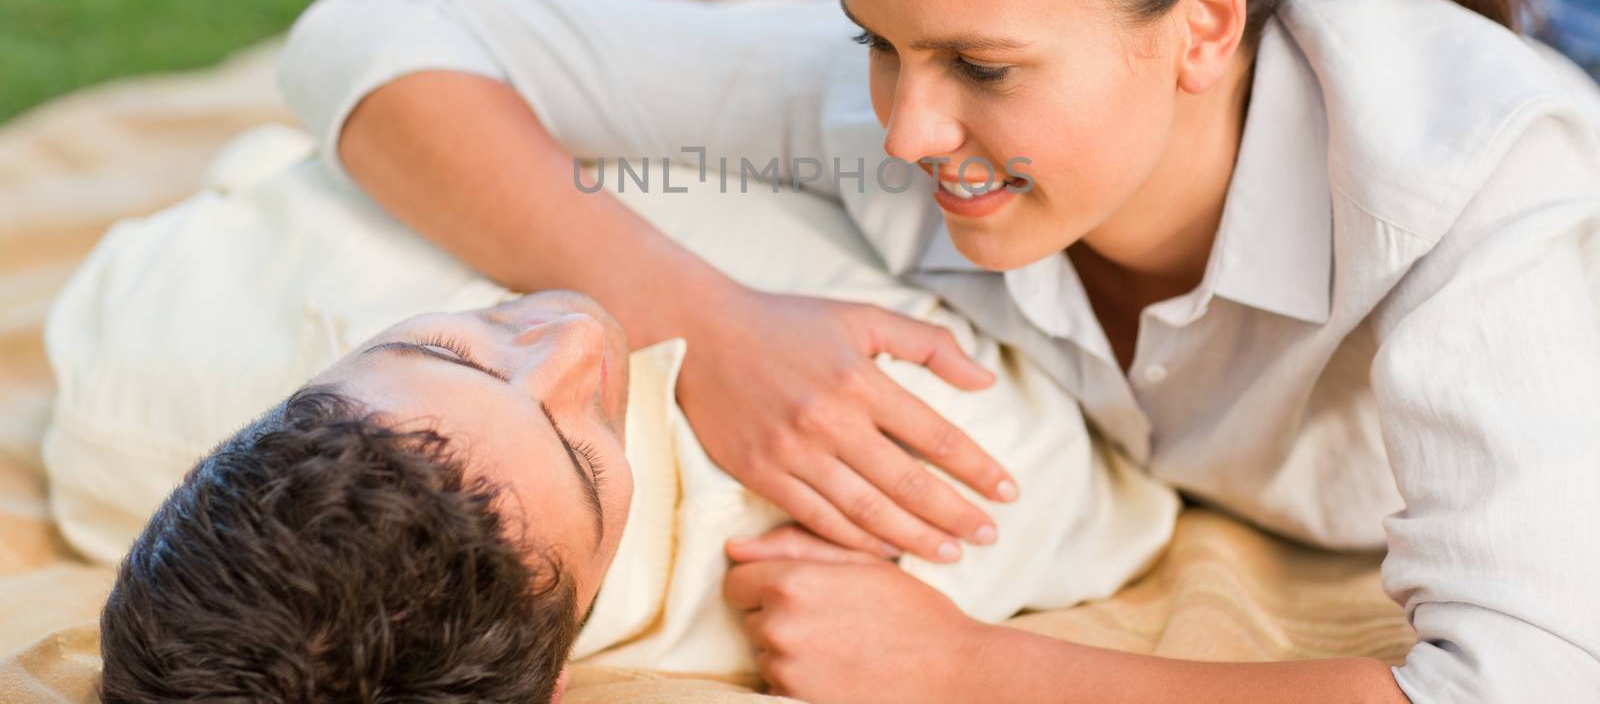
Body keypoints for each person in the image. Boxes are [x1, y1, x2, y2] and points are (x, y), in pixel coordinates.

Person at [270, 0, 1600, 704]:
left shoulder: (1484, 195)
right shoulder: (887, 105)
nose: (906, 127)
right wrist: (708, 321)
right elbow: (368, 36)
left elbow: (1529, 682)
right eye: (874, 33)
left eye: (979, 60)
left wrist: (973, 670)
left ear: (1204, 26)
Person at [51, 124, 1177, 701]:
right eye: (586, 448)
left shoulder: (124, 376)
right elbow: (1134, 460)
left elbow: (285, 154)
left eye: (443, 342)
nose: (585, 331)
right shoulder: (890, 496)